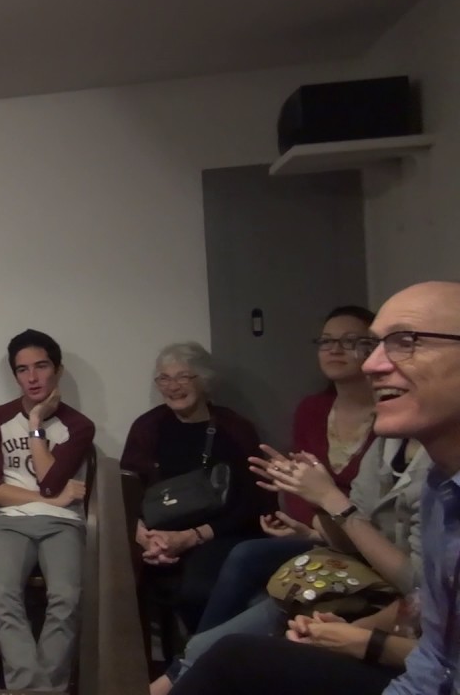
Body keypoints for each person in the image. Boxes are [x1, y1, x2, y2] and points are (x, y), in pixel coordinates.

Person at [168, 280, 460, 695]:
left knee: (250, 608)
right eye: (375, 344)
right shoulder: (429, 475)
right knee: (238, 633)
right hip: (350, 560)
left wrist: (327, 501)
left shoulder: (231, 426)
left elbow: (411, 589)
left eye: (404, 342)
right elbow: (436, 654)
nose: (373, 363)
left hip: (372, 575)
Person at [194, 305, 378, 632]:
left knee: (246, 557)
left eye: (350, 341)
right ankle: (192, 664)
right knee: (241, 573)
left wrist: (318, 514)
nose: (334, 349)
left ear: (375, 346)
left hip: (367, 540)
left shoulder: (392, 413)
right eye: (326, 341)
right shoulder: (312, 409)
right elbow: (300, 490)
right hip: (318, 534)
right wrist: (290, 487)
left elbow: (376, 505)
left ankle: (185, 667)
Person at [0, 329, 94, 694]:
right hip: (9, 523)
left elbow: (47, 480)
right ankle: (32, 688)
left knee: (67, 596)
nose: (32, 377)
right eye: (22, 369)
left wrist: (35, 425)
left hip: (63, 524)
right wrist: (54, 498)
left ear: (56, 369)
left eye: (41, 366)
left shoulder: (78, 426)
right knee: (2, 595)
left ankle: (48, 688)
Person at [121, 342, 264, 632]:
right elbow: (126, 490)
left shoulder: (235, 429)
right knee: (116, 585)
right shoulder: (147, 427)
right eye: (164, 378)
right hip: (155, 535)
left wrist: (192, 536)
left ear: (204, 380)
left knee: (198, 590)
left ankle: (197, 661)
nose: (173, 386)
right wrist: (143, 536)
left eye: (183, 376)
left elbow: (254, 502)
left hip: (217, 535)